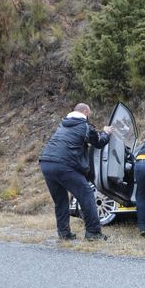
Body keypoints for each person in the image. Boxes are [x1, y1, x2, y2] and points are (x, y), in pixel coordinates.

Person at [39, 103, 112, 241]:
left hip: (46, 162)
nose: (89, 116)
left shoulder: (62, 125)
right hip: (64, 165)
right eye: (89, 114)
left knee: (60, 201)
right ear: (85, 112)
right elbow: (99, 142)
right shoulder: (85, 126)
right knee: (87, 195)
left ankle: (64, 233)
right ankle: (93, 233)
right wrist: (106, 133)